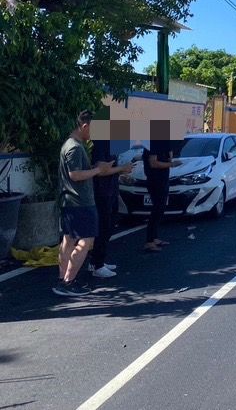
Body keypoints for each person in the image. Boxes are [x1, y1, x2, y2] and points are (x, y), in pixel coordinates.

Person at [54, 110, 118, 297]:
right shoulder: (74, 147)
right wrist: (98, 169)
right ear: (85, 126)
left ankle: (63, 280)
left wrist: (95, 169)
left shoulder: (73, 144)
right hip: (79, 202)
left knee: (68, 241)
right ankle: (68, 281)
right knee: (85, 241)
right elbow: (75, 175)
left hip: (71, 201)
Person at [88, 138, 133, 278]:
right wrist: (122, 168)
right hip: (101, 191)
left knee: (111, 223)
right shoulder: (101, 142)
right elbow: (100, 171)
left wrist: (121, 173)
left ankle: (96, 260)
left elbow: (110, 168)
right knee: (104, 226)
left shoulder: (112, 143)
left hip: (111, 189)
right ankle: (98, 265)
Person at [142, 133, 182, 253]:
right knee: (157, 208)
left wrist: (170, 156)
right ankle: (149, 241)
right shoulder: (154, 141)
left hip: (163, 178)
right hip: (155, 179)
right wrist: (172, 164)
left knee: (161, 208)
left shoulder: (164, 142)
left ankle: (154, 238)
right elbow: (153, 163)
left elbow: (168, 156)